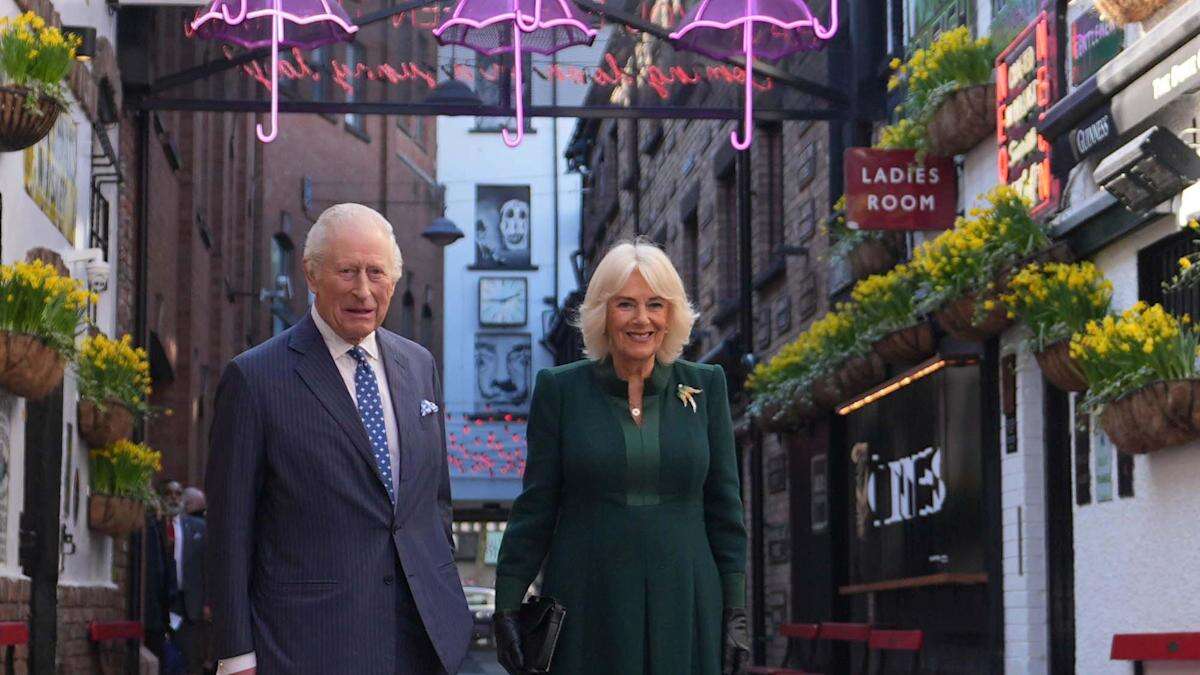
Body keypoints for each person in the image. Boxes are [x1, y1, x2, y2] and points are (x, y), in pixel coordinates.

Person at [206, 203, 472, 675]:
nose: (364, 290)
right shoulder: (254, 379)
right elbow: (229, 530)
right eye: (347, 271)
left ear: (395, 278)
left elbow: (434, 501)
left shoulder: (419, 365)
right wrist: (236, 654)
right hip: (308, 645)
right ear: (311, 274)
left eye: (377, 272)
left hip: (423, 641)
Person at [492, 240, 750, 675]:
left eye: (655, 304)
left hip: (688, 602)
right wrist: (506, 605)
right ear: (602, 314)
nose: (642, 318)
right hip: (588, 599)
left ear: (671, 315)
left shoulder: (706, 386)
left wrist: (736, 612)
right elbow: (535, 509)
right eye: (625, 304)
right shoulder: (560, 390)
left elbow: (726, 512)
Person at [160, 481, 207, 674]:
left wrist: (208, 601)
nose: (173, 497)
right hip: (162, 602)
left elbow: (207, 565)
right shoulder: (154, 524)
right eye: (169, 493)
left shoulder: (197, 527)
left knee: (190, 658)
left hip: (188, 601)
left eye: (178, 494)